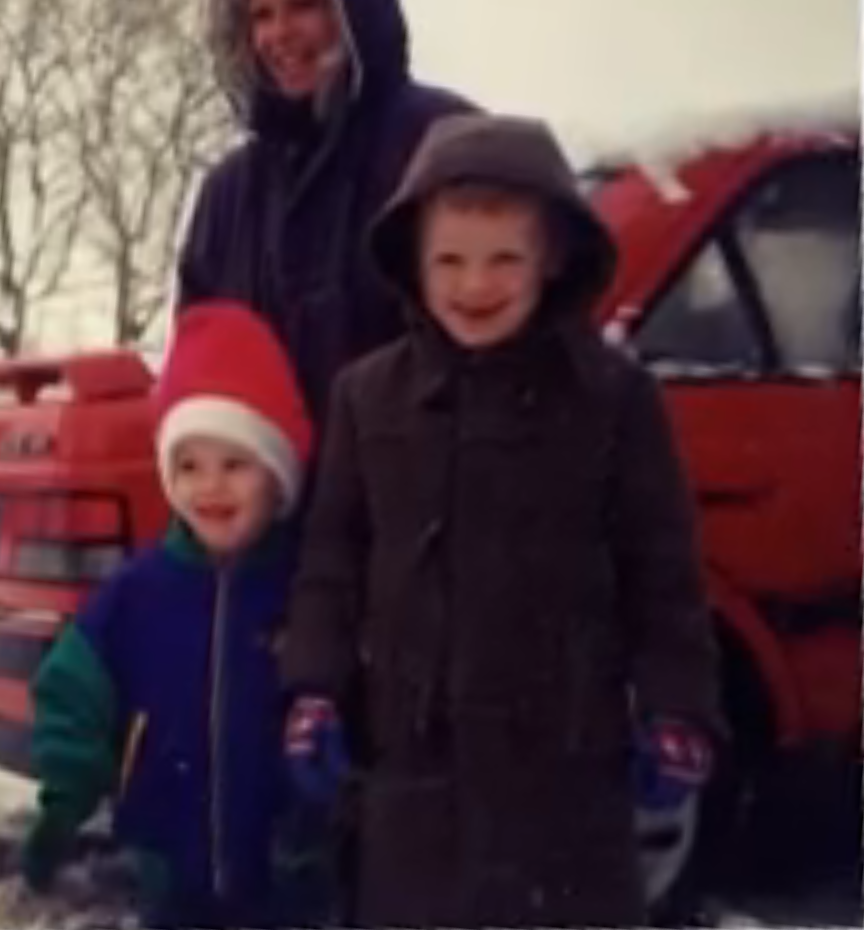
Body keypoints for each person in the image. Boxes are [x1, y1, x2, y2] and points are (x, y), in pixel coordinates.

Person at [280, 113, 722, 927]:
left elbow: (664, 579)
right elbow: (331, 566)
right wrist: (314, 690)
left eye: (503, 260)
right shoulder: (367, 398)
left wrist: (677, 710)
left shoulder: (615, 399)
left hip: (568, 777)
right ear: (413, 261)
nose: (474, 285)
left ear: (551, 258)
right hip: (413, 779)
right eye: (449, 260)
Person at [21, 301, 315, 928]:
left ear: (278, 477)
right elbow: (72, 685)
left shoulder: (305, 588)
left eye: (235, 464)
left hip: (283, 877)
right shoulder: (140, 591)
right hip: (168, 875)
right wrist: (66, 794)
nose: (210, 486)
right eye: (189, 466)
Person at [174, 0, 477, 420]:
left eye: (303, 5)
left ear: (354, 6)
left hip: (415, 468)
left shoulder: (442, 144)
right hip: (275, 474)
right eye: (261, 15)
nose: (278, 34)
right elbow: (199, 371)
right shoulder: (230, 193)